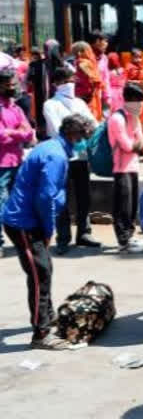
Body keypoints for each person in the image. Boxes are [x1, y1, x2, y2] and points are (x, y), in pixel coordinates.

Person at [2, 113, 93, 350]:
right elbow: (46, 197)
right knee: (39, 273)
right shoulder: (56, 156)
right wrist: (49, 227)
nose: (85, 142)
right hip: (24, 223)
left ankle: (47, 315)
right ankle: (41, 334)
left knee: (44, 268)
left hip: (29, 220)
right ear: (74, 135)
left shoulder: (51, 147)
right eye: (84, 137)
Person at [42, 67, 100, 254]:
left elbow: (93, 124)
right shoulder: (50, 104)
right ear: (56, 84)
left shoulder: (80, 103)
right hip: (61, 157)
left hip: (81, 157)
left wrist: (83, 132)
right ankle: (63, 238)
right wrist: (82, 131)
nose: (70, 85)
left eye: (72, 81)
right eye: (66, 81)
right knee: (62, 199)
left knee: (84, 197)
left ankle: (84, 232)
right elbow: (58, 128)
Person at [108, 83, 143, 253]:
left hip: (133, 166)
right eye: (137, 100)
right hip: (120, 167)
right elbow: (127, 145)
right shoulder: (117, 119)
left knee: (132, 206)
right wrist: (136, 145)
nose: (140, 104)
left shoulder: (134, 117)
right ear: (129, 100)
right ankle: (123, 240)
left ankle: (129, 237)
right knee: (122, 206)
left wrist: (136, 145)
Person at [0, 70, 35, 256]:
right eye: (7, 84)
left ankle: (19, 239)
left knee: (18, 202)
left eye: (13, 84)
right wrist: (17, 132)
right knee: (0, 203)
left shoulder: (16, 108)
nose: (11, 87)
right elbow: (1, 137)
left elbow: (29, 133)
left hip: (17, 161)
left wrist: (12, 132)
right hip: (1, 164)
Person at [71, 41, 104, 121]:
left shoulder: (81, 63)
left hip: (83, 94)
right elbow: (95, 79)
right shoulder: (85, 62)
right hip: (88, 95)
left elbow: (93, 78)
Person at [88, 30, 111, 114]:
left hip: (99, 96)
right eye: (105, 41)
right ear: (97, 41)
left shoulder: (104, 58)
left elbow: (106, 79)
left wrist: (107, 97)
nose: (107, 44)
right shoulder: (85, 58)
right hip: (87, 97)